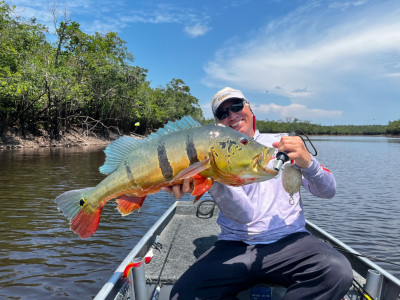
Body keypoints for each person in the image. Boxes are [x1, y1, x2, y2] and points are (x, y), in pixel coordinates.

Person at [165, 87, 353, 300]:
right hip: (234, 244)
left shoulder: (282, 144)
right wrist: (214, 179)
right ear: (218, 123)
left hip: (291, 241)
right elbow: (244, 215)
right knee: (185, 294)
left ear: (250, 108)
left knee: (337, 271)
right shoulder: (211, 155)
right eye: (223, 113)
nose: (232, 115)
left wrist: (308, 163)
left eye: (236, 106)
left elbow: (328, 191)